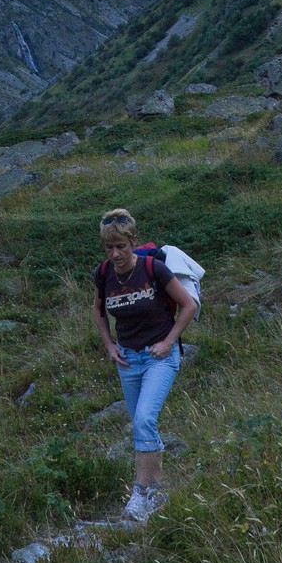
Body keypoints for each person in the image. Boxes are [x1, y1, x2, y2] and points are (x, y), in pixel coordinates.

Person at [92, 208, 198, 522]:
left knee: (143, 420)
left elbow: (189, 305)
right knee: (143, 425)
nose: (115, 254)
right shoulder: (104, 273)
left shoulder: (153, 269)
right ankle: (158, 490)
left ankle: (140, 496)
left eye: (121, 247)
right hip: (127, 359)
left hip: (159, 357)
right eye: (109, 248)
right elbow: (98, 310)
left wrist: (168, 342)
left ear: (133, 242)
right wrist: (109, 345)